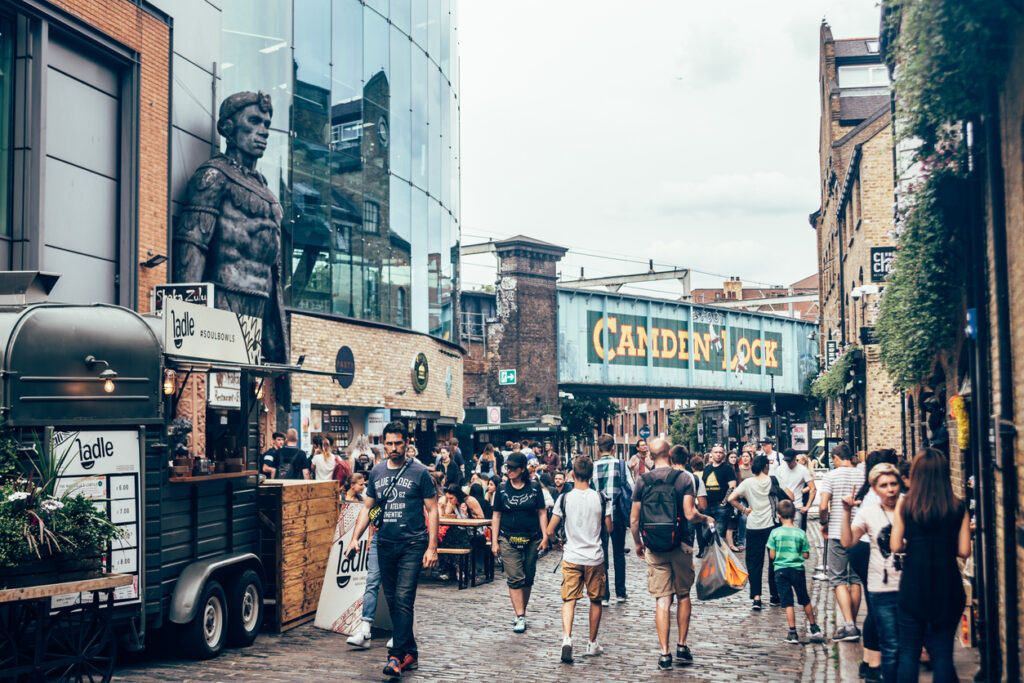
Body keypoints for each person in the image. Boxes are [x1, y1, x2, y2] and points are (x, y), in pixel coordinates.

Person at [345, 421, 438, 678]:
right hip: (385, 543)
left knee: (403, 599)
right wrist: (355, 539)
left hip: (412, 544)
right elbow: (368, 508)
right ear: (383, 444)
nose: (394, 448)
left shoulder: (420, 473)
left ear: (407, 444)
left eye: (398, 443)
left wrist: (432, 547)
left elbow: (432, 510)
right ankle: (411, 653)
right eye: (389, 443)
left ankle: (396, 657)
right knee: (395, 601)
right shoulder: (376, 472)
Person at [631, 438, 713, 671]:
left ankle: (664, 653)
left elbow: (634, 519)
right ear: (669, 453)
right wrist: (705, 518)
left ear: (650, 456)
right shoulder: (684, 478)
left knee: (662, 599)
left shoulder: (642, 481)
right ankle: (682, 645)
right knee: (683, 595)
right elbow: (689, 514)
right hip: (682, 544)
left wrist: (638, 543)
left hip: (655, 546)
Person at [891, 449, 970, 683]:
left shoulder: (905, 506)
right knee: (943, 655)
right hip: (948, 587)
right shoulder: (957, 507)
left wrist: (916, 543)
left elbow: (895, 545)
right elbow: (965, 550)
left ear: (915, 474)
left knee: (909, 653)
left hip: (914, 586)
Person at [546, 455, 612, 663]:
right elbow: (609, 528)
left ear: (572, 475)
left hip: (572, 555)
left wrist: (557, 541)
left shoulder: (564, 498)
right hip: (594, 557)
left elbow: (549, 530)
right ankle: (592, 643)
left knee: (569, 599)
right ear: (592, 476)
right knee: (596, 599)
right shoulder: (601, 498)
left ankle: (567, 639)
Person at [840, 462, 902, 683]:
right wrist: (846, 512)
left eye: (894, 484)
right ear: (875, 489)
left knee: (907, 647)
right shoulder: (867, 513)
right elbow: (847, 541)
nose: (891, 489)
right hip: (881, 587)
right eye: (884, 485)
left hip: (909, 586)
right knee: (891, 645)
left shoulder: (909, 508)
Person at [491, 451, 549, 633]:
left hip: (532, 538)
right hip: (508, 537)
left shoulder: (533, 487)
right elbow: (496, 515)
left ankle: (521, 611)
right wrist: (494, 541)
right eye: (507, 467)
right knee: (515, 577)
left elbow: (541, 511)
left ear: (522, 469)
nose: (509, 470)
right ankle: (520, 615)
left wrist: (545, 536)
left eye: (513, 468)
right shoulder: (501, 489)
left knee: (528, 577)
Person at [818, 442, 865, 642]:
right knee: (855, 579)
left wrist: (824, 523)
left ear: (836, 458)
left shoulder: (831, 476)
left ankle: (849, 625)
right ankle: (851, 623)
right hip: (860, 533)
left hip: (837, 532)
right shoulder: (863, 476)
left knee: (837, 579)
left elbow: (822, 506)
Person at [768, 498, 824, 644]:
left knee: (787, 601)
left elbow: (772, 555)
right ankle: (814, 627)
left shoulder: (774, 533)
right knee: (804, 598)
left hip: (780, 570)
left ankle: (792, 632)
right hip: (797, 570)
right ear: (794, 515)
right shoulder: (800, 533)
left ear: (778, 515)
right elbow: (806, 555)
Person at [728, 455, 780, 609]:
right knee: (774, 561)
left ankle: (756, 598)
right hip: (771, 525)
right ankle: (774, 595)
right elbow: (788, 496)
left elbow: (731, 498)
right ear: (766, 466)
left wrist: (744, 509)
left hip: (753, 525)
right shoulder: (773, 480)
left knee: (754, 563)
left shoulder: (748, 482)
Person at [591, 433, 634, 605]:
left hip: (597, 515)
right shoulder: (621, 465)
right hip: (617, 514)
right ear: (613, 447)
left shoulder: (592, 466)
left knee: (601, 555)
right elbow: (632, 488)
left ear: (597, 448)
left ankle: (604, 595)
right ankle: (621, 593)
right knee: (618, 553)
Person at [772, 449, 816, 528]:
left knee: (795, 536)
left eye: (790, 461)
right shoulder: (780, 469)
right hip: (783, 507)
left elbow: (813, 488)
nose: (788, 463)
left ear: (795, 458)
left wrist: (807, 506)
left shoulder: (803, 470)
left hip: (797, 507)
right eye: (786, 461)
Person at [701, 444, 737, 534]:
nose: (718, 454)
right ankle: (708, 549)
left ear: (724, 454)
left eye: (720, 452)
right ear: (711, 454)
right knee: (707, 533)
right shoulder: (707, 468)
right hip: (707, 506)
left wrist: (724, 502)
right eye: (716, 452)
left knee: (719, 534)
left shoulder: (727, 468)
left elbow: (732, 487)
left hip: (721, 507)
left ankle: (718, 548)